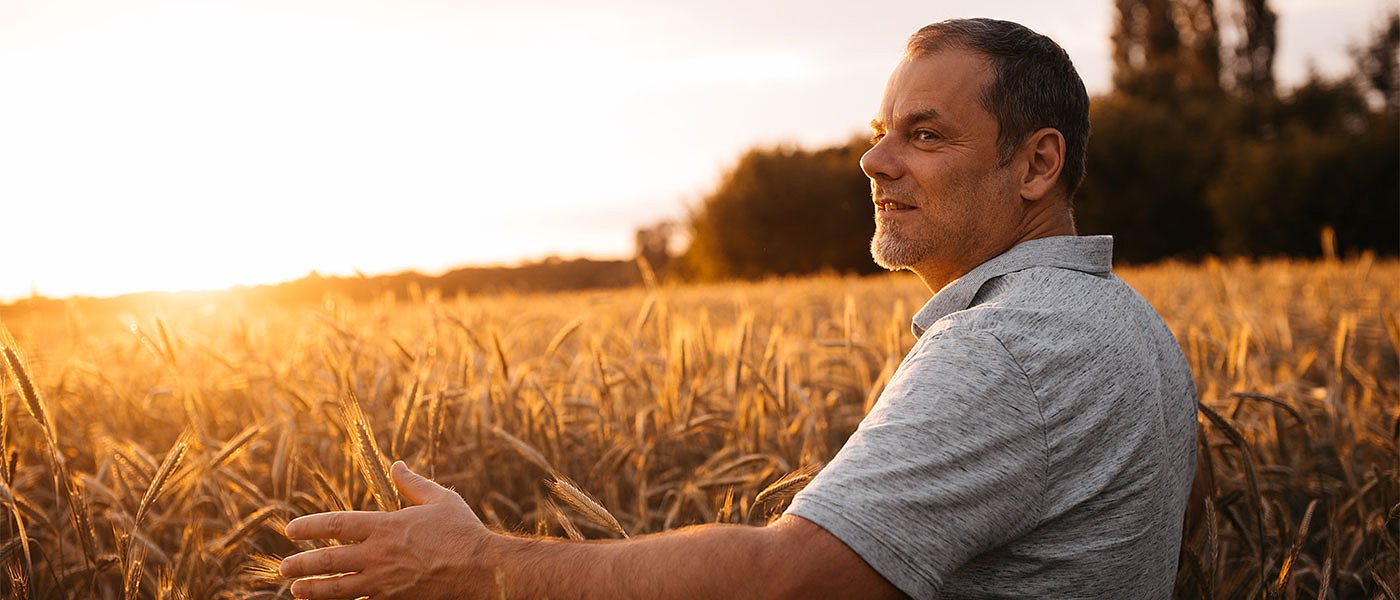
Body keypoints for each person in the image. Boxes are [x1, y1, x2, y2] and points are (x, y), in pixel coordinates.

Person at [279, 17, 1197, 599]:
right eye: (881, 132)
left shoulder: (1007, 347)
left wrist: (480, 564)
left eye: (925, 134)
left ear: (1037, 165)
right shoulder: (1125, 320)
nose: (874, 161)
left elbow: (785, 581)